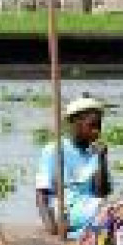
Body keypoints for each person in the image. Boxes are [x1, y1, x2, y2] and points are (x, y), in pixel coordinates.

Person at [36, 95, 113, 237]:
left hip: (93, 209)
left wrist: (102, 160)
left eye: (99, 126)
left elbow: (101, 193)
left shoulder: (95, 153)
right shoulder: (54, 150)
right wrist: (51, 229)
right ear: (75, 123)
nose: (96, 131)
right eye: (92, 125)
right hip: (67, 213)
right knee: (110, 211)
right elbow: (41, 195)